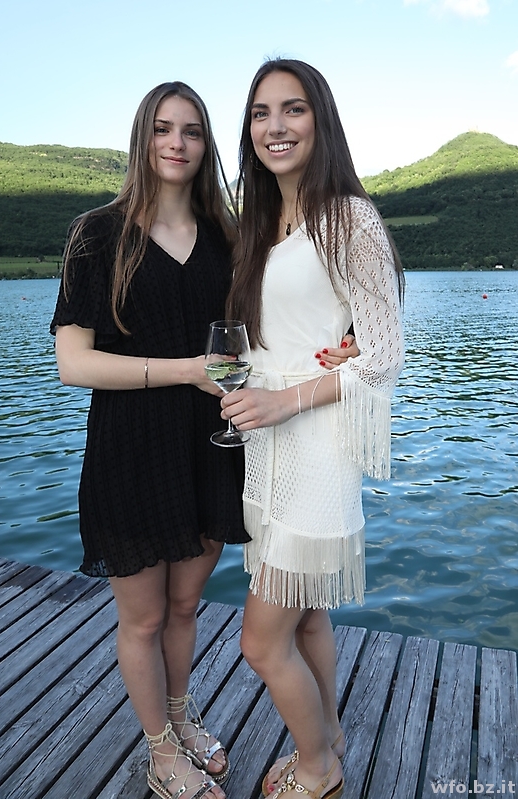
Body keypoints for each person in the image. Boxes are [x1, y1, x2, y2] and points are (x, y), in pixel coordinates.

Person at [50, 81, 248, 799]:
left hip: (210, 447)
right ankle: (161, 752)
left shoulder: (228, 237)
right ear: (143, 137)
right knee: (143, 617)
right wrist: (188, 369)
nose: (177, 142)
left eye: (192, 130)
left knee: (187, 606)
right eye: (163, 128)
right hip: (131, 450)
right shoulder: (97, 234)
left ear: (205, 144)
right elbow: (74, 364)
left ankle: (179, 714)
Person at [222, 59, 405, 799]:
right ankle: (328, 736)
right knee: (306, 621)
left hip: (314, 445)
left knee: (260, 642)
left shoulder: (348, 218)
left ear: (320, 119)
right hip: (268, 445)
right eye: (261, 113)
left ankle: (319, 769)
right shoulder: (261, 221)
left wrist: (286, 399)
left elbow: (384, 356)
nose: (275, 127)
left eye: (292, 109)